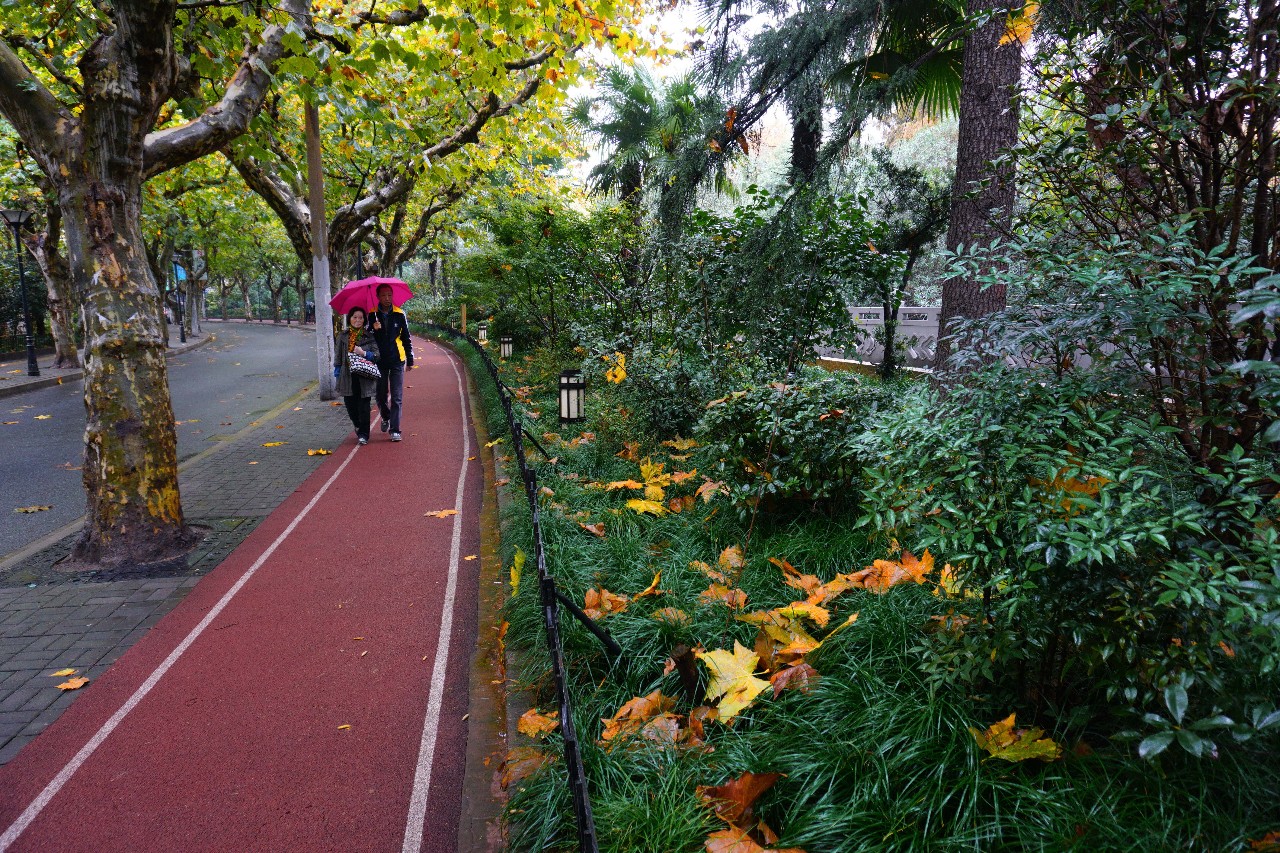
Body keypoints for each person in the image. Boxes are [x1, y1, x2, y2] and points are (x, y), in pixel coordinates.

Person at [369, 284, 414, 442]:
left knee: (397, 396)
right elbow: (366, 337)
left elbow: (406, 338)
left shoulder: (399, 314)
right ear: (378, 297)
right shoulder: (371, 314)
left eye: (389, 295)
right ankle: (386, 417)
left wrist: (410, 359)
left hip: (397, 360)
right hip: (379, 360)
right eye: (383, 295)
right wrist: (372, 328)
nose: (387, 298)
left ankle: (395, 430)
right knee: (380, 395)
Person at [333, 307, 380, 445]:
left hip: (364, 377)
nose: (358, 320)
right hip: (347, 376)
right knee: (350, 405)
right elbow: (337, 357)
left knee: (364, 406)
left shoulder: (369, 336)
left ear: (364, 319)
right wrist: (337, 374)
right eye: (355, 317)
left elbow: (377, 356)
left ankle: (364, 434)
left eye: (360, 317)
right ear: (350, 319)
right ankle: (358, 425)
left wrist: (364, 353)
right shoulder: (342, 336)